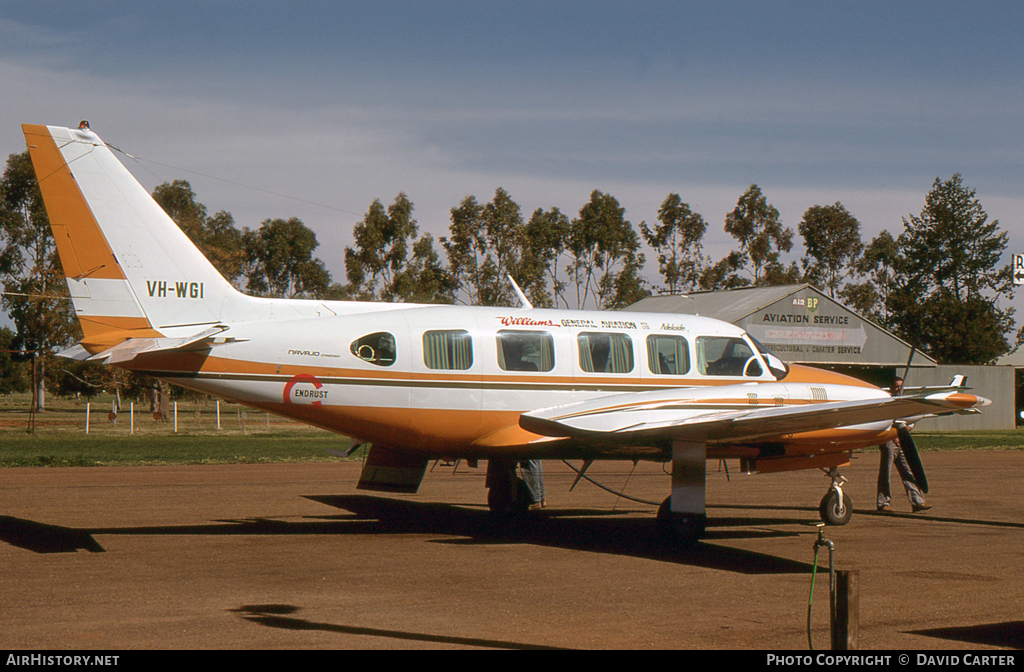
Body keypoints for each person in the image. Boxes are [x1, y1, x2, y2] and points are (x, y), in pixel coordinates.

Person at [877, 377, 931, 513]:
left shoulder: (905, 402)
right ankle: (883, 503)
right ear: (890, 388)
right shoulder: (886, 402)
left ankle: (917, 501)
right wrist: (893, 435)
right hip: (888, 441)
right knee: (886, 473)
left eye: (900, 386)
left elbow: (911, 422)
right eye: (895, 387)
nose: (898, 389)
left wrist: (901, 434)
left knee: (908, 471)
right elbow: (882, 422)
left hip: (901, 442)